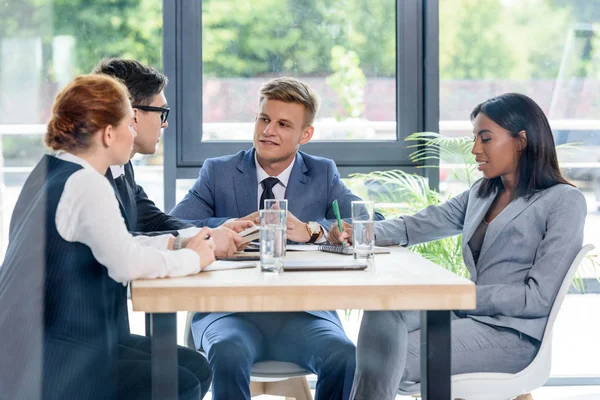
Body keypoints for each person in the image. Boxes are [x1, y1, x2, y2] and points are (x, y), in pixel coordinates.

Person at [329, 93, 587, 400]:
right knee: (384, 311)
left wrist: (463, 295)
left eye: (486, 138)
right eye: (475, 138)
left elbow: (538, 298)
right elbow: (419, 225)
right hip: (466, 315)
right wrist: (359, 232)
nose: (476, 149)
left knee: (384, 355)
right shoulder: (482, 192)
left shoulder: (563, 201)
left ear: (521, 140)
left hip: (512, 336)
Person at [0, 74, 214, 399]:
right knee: (179, 381)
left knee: (193, 367)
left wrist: (179, 243)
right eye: (130, 124)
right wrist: (193, 258)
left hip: (38, 348)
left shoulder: (54, 171)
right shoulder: (87, 184)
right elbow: (126, 264)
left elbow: (113, 242)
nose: (134, 132)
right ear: (108, 133)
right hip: (57, 361)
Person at [171, 77, 381, 400]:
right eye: (264, 119)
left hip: (304, 315)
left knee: (345, 356)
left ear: (305, 135)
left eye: (283, 124)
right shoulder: (218, 172)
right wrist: (226, 225)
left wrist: (314, 230)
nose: (268, 131)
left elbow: (372, 222)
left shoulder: (322, 174)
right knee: (226, 354)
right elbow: (173, 224)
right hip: (229, 313)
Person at [93, 58, 253, 400]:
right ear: (133, 114)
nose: (165, 124)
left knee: (195, 367)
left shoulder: (123, 169)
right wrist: (191, 250)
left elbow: (152, 220)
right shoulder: (90, 177)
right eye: (161, 113)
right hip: (80, 342)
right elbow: (118, 246)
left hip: (105, 330)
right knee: (181, 379)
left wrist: (209, 234)